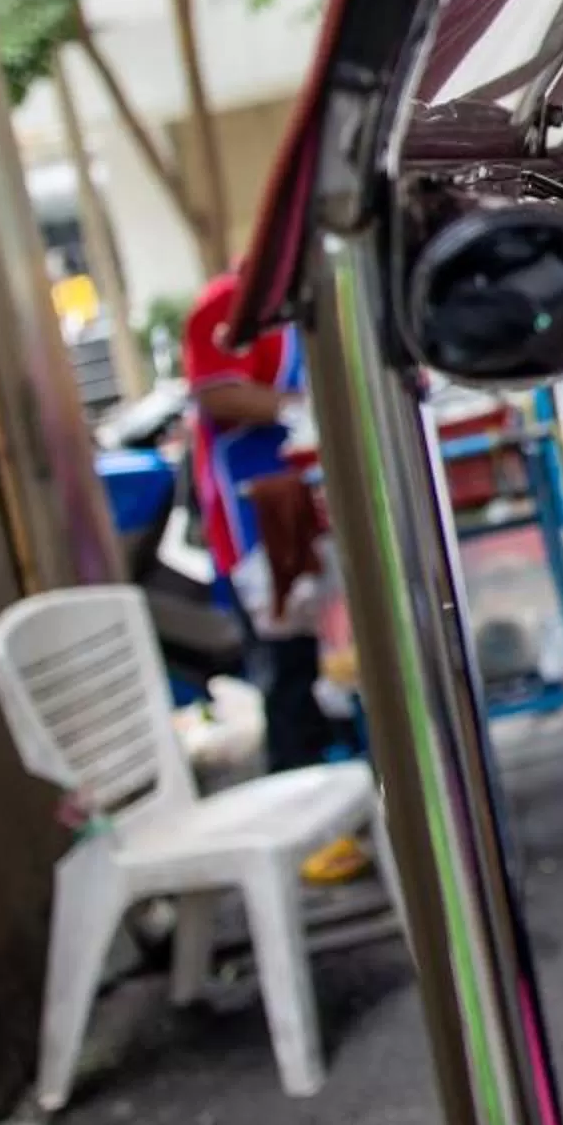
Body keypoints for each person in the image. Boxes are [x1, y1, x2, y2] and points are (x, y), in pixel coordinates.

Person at [182, 270, 360, 840]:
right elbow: (216, 391)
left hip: (323, 525)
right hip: (257, 532)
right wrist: (302, 407)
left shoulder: (331, 294)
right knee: (289, 679)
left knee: (342, 674)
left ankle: (356, 812)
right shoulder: (229, 304)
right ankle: (306, 838)